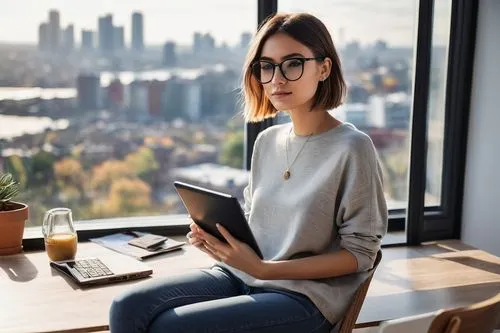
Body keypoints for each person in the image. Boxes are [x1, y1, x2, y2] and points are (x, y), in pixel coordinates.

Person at [109, 12, 388, 333]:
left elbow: (361, 255)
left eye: (293, 63)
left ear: (324, 68)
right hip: (243, 274)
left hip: (304, 296)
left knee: (174, 326)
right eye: (267, 66)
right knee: (127, 306)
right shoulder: (267, 141)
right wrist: (218, 239)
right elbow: (257, 223)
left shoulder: (353, 147)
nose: (277, 79)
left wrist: (265, 269)